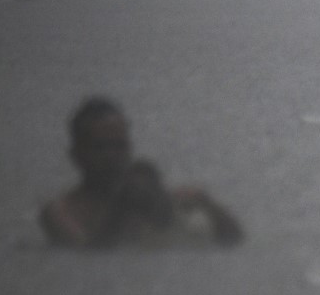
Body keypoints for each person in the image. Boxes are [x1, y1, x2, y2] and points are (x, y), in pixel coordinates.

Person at [40, 97, 244, 249]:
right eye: (99, 147)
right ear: (76, 154)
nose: (111, 155)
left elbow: (235, 241)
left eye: (119, 146)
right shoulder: (61, 211)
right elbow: (85, 256)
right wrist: (122, 211)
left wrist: (207, 204)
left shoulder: (154, 195)